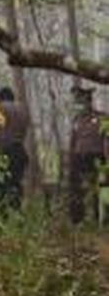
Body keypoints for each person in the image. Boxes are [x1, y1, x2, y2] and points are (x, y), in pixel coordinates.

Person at [68, 86, 108, 223]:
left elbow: (106, 139)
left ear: (89, 102)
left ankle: (102, 219)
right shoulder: (76, 120)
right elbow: (72, 142)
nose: (80, 104)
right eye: (77, 101)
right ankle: (77, 220)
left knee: (101, 187)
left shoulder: (102, 117)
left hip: (97, 156)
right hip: (79, 157)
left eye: (82, 100)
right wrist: (71, 157)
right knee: (75, 187)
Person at [0, 87, 29, 208]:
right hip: (21, 151)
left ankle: (2, 219)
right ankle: (17, 216)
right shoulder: (23, 110)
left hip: (6, 152)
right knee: (15, 186)